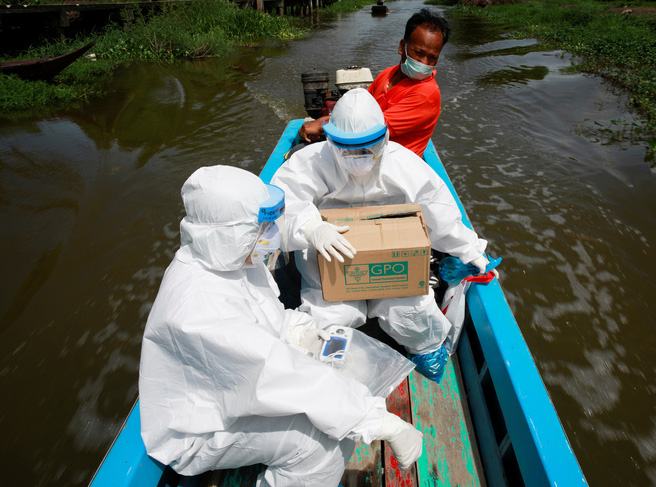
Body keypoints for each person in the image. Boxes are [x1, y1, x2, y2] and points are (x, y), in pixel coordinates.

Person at [139, 165, 423, 486]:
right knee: (319, 445)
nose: (274, 233)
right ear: (231, 235)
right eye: (263, 228)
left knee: (344, 360)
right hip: (201, 425)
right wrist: (378, 421)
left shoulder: (231, 258)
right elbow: (273, 374)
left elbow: (270, 320)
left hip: (244, 385)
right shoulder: (200, 308)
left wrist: (307, 334)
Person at [271, 88, 492, 382]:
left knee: (411, 309)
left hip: (391, 258)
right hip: (329, 254)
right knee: (330, 317)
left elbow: (438, 211)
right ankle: (326, 373)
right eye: (347, 149)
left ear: (385, 138)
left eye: (368, 148)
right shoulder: (309, 163)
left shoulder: (403, 164)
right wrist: (312, 227)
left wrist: (469, 250)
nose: (359, 158)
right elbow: (283, 204)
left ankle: (427, 353)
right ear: (331, 141)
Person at [298, 8, 449, 157]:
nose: (424, 63)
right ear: (402, 47)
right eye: (419, 53)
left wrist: (321, 125)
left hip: (393, 166)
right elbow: (360, 110)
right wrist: (322, 122)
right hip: (368, 153)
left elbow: (368, 126)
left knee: (299, 157)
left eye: (432, 57)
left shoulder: (426, 94)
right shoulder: (388, 74)